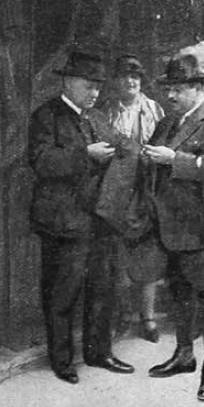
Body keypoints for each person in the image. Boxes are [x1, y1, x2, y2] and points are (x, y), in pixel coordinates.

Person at [28, 50, 134, 384]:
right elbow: (41, 161)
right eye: (89, 86)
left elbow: (122, 145)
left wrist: (128, 149)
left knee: (101, 288)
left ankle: (98, 352)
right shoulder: (46, 116)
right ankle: (62, 360)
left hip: (99, 219)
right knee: (63, 293)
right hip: (63, 221)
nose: (95, 93)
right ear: (69, 82)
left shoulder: (98, 118)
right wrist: (85, 154)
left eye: (98, 88)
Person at [144, 53, 204, 402]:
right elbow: (154, 160)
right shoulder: (167, 123)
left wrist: (174, 160)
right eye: (169, 89)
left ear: (198, 88)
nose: (169, 96)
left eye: (177, 89)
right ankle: (184, 354)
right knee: (180, 293)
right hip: (172, 225)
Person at [100, 54, 165, 343]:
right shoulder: (106, 111)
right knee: (118, 255)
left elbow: (164, 146)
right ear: (116, 81)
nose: (131, 81)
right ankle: (125, 314)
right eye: (125, 76)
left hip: (146, 188)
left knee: (148, 254)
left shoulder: (153, 109)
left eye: (136, 77)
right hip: (116, 191)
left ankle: (148, 318)